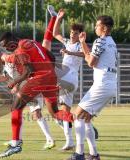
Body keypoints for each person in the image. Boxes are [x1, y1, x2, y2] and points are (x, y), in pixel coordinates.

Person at [0, 5, 72, 158]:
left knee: (16, 107)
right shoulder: (30, 42)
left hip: (40, 78)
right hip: (51, 77)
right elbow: (49, 53)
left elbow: (28, 71)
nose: (7, 48)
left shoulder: (20, 49)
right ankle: (80, 120)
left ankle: (16, 143)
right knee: (56, 112)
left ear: (12, 40)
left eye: (6, 45)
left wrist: (14, 82)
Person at [67, 15, 117, 160]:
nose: (95, 28)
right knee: (86, 119)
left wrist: (82, 43)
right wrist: (83, 42)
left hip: (102, 83)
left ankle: (79, 154)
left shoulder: (100, 41)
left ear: (105, 28)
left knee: (77, 115)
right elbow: (92, 57)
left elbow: (91, 62)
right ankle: (94, 155)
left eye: (97, 25)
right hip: (110, 83)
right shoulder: (112, 42)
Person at [53, 9, 84, 151]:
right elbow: (55, 34)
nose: (72, 35)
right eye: (72, 32)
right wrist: (58, 18)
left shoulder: (79, 44)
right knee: (64, 112)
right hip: (66, 81)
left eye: (76, 33)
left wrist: (69, 52)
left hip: (70, 78)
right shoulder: (67, 41)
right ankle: (70, 141)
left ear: (80, 35)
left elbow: (85, 53)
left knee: (48, 66)